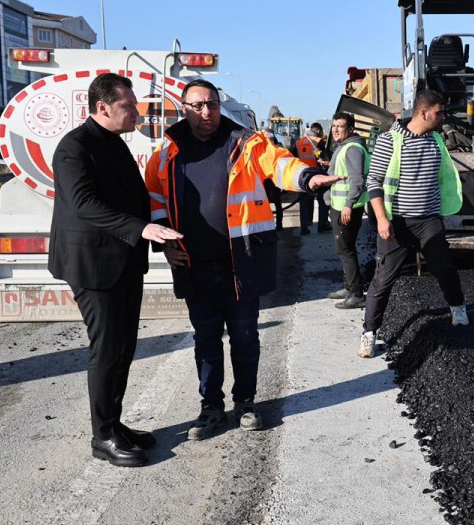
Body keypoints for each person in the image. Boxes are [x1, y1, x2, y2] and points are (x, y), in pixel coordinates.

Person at [144, 79, 339, 440]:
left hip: (241, 262)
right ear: (183, 109)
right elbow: (155, 196)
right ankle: (211, 408)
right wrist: (163, 241)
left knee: (245, 336)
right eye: (198, 105)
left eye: (212, 105)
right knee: (206, 339)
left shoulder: (247, 144)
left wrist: (308, 177)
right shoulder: (166, 154)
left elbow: (280, 165)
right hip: (193, 263)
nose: (206, 112)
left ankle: (245, 402)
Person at [48, 73, 183, 467]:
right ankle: (102, 436)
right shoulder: (74, 148)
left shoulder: (116, 144)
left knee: (124, 347)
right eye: (128, 106)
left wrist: (156, 239)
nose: (137, 112)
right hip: (93, 265)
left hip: (123, 261)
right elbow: (84, 203)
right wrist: (142, 229)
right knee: (106, 350)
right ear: (102, 107)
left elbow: (134, 200)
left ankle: (115, 423)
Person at [358, 89, 469, 358]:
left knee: (444, 268)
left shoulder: (436, 140)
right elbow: (373, 182)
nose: (443, 117)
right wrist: (382, 219)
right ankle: (369, 334)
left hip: (429, 220)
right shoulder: (389, 142)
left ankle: (458, 308)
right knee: (383, 279)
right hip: (397, 223)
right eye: (439, 112)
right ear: (423, 113)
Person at [325, 111, 369, 309]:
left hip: (347, 208)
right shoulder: (343, 147)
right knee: (343, 248)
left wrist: (348, 205)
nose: (335, 129)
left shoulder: (352, 148)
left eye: (340, 126)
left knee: (346, 250)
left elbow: (357, 181)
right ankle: (349, 286)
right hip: (340, 206)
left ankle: (356, 294)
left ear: (350, 129)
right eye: (334, 125)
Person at [295, 122, 330, 234]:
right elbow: (325, 159)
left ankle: (304, 228)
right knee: (322, 199)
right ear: (318, 131)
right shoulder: (318, 142)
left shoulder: (298, 142)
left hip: (302, 175)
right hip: (317, 174)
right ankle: (322, 224)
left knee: (304, 202)